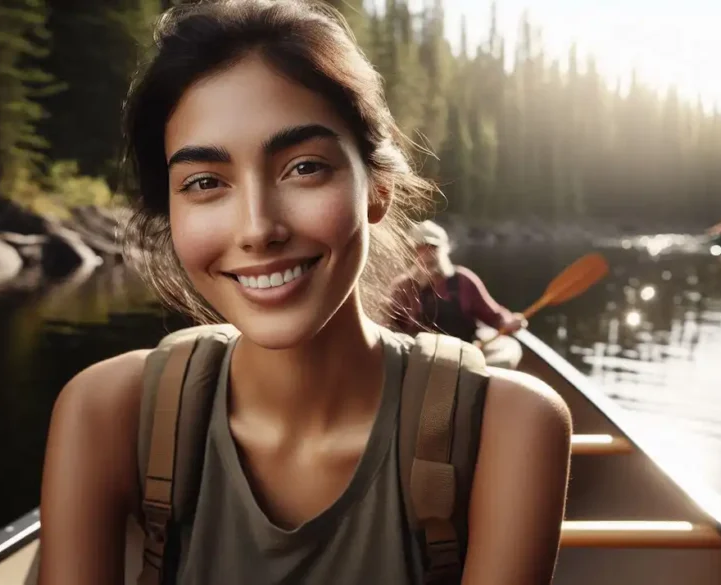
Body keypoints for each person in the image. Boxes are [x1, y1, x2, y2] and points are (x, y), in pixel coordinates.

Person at [38, 1, 571, 584]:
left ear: (378, 189)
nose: (258, 228)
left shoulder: (513, 426)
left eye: (304, 168)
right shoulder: (105, 411)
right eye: (205, 182)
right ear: (170, 210)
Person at [390, 219, 527, 369]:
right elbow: (390, 328)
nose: (427, 255)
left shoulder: (463, 280)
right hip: (423, 364)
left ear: (444, 250)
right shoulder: (403, 287)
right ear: (413, 253)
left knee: (509, 348)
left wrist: (508, 321)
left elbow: (493, 315)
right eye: (420, 249)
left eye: (432, 248)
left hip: (464, 359)